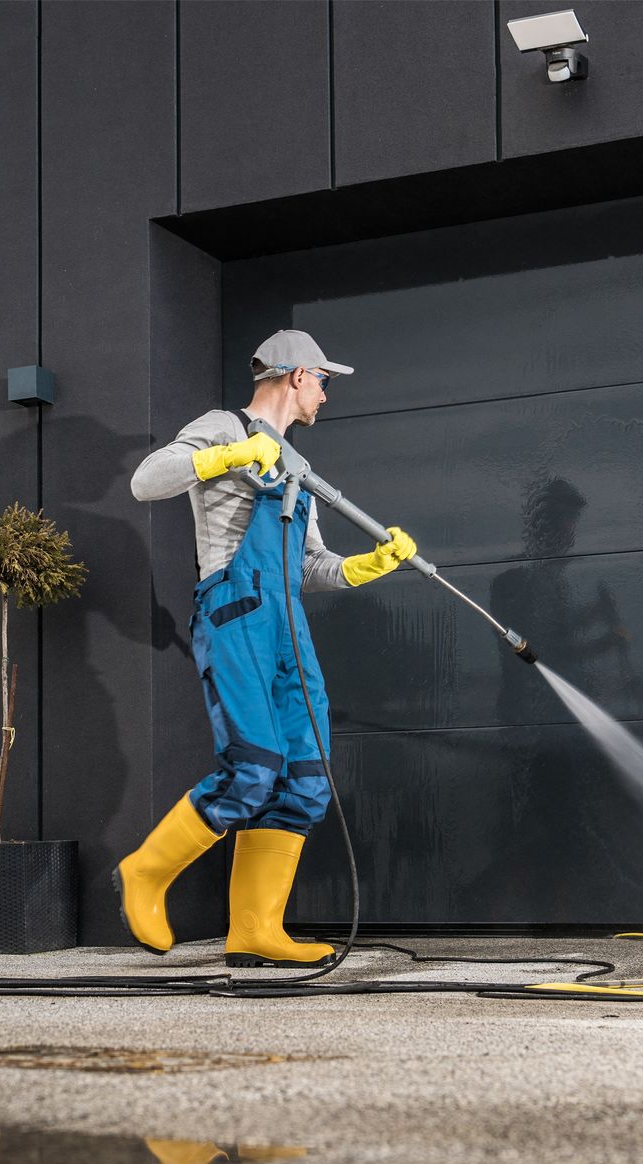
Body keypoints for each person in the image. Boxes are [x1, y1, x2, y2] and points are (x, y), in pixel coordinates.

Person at [115, 330, 418, 967]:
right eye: (324, 382)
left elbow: (311, 565)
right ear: (298, 376)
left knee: (306, 778)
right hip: (237, 611)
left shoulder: (297, 470)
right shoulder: (224, 428)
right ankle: (145, 871)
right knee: (253, 766)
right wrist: (226, 458)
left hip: (287, 621)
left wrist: (367, 566)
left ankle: (254, 929)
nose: (326, 396)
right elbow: (147, 481)